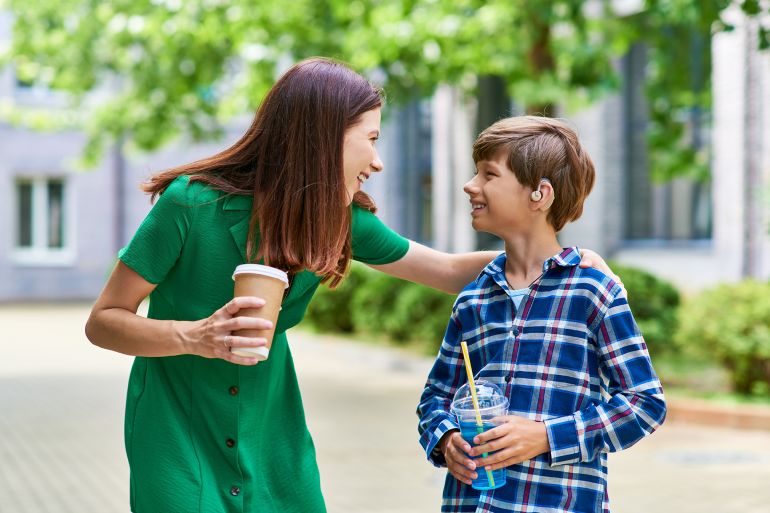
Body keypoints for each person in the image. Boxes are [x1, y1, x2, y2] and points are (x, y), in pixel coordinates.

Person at [85, 58, 616, 513]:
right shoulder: (190, 205)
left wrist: (562, 260)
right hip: (177, 426)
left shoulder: (340, 220)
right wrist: (193, 336)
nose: (379, 161)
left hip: (272, 430)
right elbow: (104, 322)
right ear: (321, 138)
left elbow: (449, 271)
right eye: (371, 140)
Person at [417, 116, 666, 513]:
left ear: (540, 194)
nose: (470, 185)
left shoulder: (592, 291)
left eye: (488, 174)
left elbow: (644, 403)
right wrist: (446, 439)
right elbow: (435, 399)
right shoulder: (473, 299)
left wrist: (548, 436)